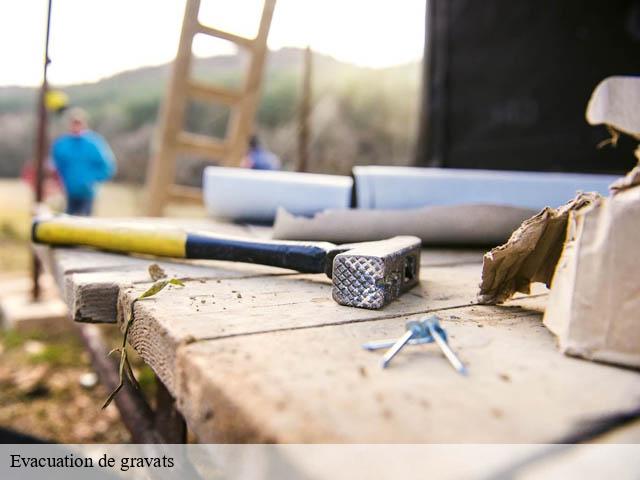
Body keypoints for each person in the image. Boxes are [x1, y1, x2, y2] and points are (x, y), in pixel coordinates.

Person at [51, 108, 116, 215]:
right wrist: (58, 182)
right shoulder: (61, 144)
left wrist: (92, 180)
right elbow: (55, 166)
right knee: (68, 223)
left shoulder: (94, 143)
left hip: (87, 193)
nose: (76, 126)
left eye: (79, 123)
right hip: (69, 191)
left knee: (85, 222)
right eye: (73, 123)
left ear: (84, 124)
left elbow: (108, 165)